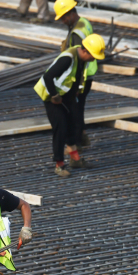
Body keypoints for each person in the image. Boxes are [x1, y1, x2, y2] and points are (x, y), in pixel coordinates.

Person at [34, 33, 106, 177]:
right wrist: (54, 96)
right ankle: (59, 164)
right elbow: (48, 77)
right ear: (85, 50)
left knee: (74, 123)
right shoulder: (68, 59)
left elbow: (77, 76)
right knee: (60, 128)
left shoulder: (82, 59)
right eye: (93, 56)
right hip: (51, 95)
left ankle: (75, 158)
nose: (93, 59)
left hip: (66, 95)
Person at [54, 0, 99, 147]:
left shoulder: (76, 34)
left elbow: (79, 61)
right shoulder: (84, 22)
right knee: (78, 108)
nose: (63, 21)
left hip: (82, 77)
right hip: (88, 74)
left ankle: (76, 144)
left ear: (71, 13)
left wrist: (77, 84)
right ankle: (83, 137)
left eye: (64, 18)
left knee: (74, 111)